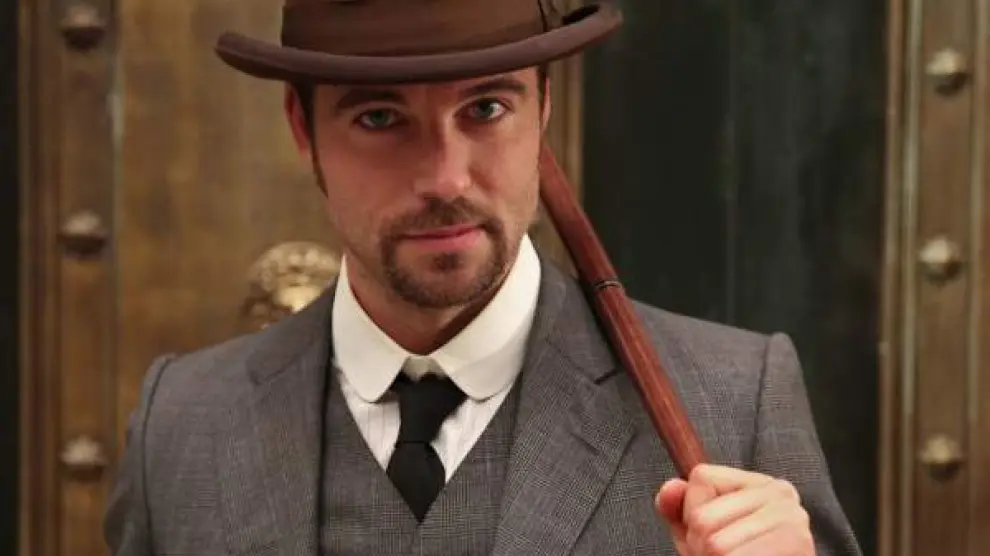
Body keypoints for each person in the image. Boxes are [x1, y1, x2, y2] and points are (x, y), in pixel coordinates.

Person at [103, 1, 863, 555]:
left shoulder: (733, 404)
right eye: (379, 119)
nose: (445, 177)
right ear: (303, 131)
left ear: (544, 109)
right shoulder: (184, 426)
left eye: (487, 107)